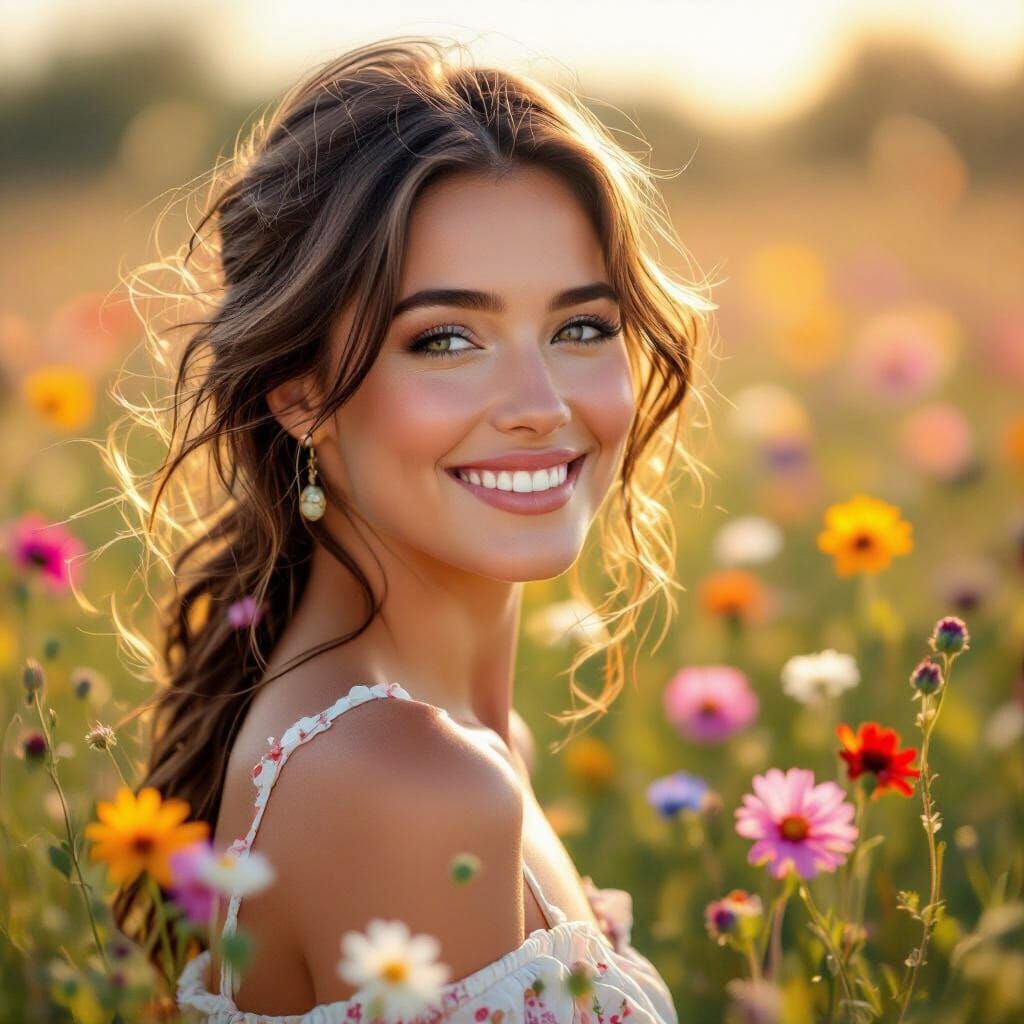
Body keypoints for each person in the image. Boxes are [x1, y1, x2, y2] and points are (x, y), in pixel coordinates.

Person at [107, 34, 716, 1023]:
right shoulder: (405, 785)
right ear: (301, 395)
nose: (539, 403)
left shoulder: (453, 743)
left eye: (580, 327)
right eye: (445, 339)